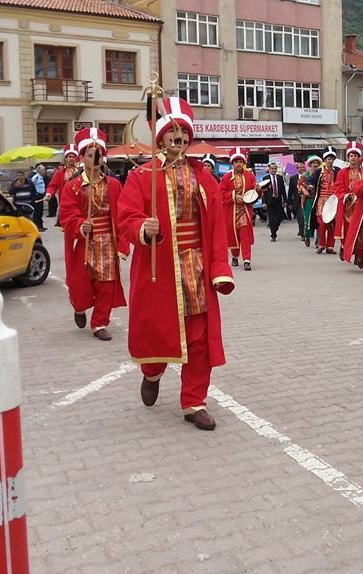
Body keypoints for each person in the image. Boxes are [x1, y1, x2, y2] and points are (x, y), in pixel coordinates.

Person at [117, 96, 234, 431]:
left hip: (195, 265)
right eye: (172, 132)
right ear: (161, 138)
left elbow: (216, 228)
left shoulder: (204, 177)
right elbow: (126, 216)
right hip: (160, 267)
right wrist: (141, 227)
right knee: (158, 330)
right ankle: (151, 372)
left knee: (199, 337)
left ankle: (194, 401)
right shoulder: (142, 176)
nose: (179, 138)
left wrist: (219, 268)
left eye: (184, 132)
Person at [58, 128, 129, 341]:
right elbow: (67, 215)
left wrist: (123, 242)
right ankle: (79, 308)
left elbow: (124, 214)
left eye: (98, 154)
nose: (95, 158)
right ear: (82, 158)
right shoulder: (73, 187)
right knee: (81, 284)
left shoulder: (114, 185)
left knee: (107, 283)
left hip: (107, 241)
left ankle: (99, 322)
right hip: (84, 242)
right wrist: (80, 225)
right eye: (90, 154)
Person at [219, 147, 258, 270]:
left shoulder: (250, 176)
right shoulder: (226, 178)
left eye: (240, 162)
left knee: (245, 234)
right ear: (232, 163)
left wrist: (258, 190)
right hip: (231, 211)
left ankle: (247, 259)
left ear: (244, 163)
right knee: (233, 234)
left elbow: (253, 193)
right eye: (236, 162)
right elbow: (221, 193)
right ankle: (235, 256)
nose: (238, 164)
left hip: (245, 211)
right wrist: (233, 196)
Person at [335, 140, 363, 259]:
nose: (353, 158)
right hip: (347, 205)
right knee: (347, 230)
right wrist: (346, 196)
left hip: (360, 205)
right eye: (351, 156)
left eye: (355, 156)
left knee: (360, 230)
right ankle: (344, 247)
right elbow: (338, 188)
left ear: (359, 158)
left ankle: (358, 254)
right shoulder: (342, 173)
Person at [308, 147, 339, 255]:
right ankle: (321, 244)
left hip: (333, 201)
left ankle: (330, 246)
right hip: (322, 199)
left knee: (332, 224)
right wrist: (310, 186)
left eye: (332, 159)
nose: (330, 161)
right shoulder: (318, 172)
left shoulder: (338, 171)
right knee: (322, 223)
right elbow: (309, 181)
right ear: (325, 160)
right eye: (328, 159)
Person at [45, 145, 80, 229]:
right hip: (66, 203)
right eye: (69, 156)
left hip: (80, 202)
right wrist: (49, 193)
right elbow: (52, 185)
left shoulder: (81, 171)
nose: (71, 158)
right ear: (66, 159)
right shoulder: (60, 173)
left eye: (74, 156)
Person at [262, 161, 288, 241]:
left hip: (278, 200)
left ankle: (275, 229)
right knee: (271, 218)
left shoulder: (280, 178)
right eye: (272, 169)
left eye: (275, 168)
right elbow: (263, 192)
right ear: (269, 169)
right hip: (269, 201)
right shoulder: (265, 178)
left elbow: (283, 190)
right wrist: (264, 202)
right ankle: (273, 235)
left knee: (279, 218)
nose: (273, 170)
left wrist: (285, 201)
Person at [288, 162, 307, 241]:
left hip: (307, 200)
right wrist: (289, 202)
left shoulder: (308, 176)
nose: (302, 168)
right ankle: (303, 234)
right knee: (300, 218)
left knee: (306, 218)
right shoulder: (293, 178)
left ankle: (306, 231)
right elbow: (290, 191)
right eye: (300, 167)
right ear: (297, 169)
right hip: (297, 201)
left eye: (303, 167)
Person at [30, 165, 47, 231]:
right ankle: (37, 226)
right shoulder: (35, 177)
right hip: (37, 196)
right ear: (39, 170)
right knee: (37, 212)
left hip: (41, 195)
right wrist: (35, 194)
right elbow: (32, 185)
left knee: (40, 212)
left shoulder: (41, 177)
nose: (44, 171)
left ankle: (41, 225)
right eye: (43, 170)